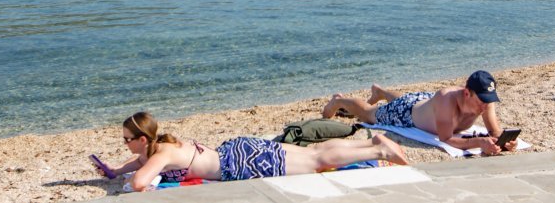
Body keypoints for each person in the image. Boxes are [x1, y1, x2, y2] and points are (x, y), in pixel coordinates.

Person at [99, 112, 408, 192]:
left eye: (127, 139)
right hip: (239, 149)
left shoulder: (161, 154)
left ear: (142, 138)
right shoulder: (161, 145)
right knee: (313, 153)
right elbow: (140, 163)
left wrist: (129, 176)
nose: (124, 143)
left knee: (315, 162)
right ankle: (371, 144)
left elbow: (141, 182)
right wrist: (115, 169)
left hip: (241, 163)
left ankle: (378, 150)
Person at [320, 70, 515, 156]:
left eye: (488, 100)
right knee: (369, 113)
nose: (485, 105)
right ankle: (339, 101)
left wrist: (504, 142)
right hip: (406, 113)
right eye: (482, 100)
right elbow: (445, 138)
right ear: (466, 93)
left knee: (411, 98)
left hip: (423, 103)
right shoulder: (447, 100)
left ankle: (380, 92)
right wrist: (479, 142)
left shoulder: (485, 101)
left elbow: (495, 132)